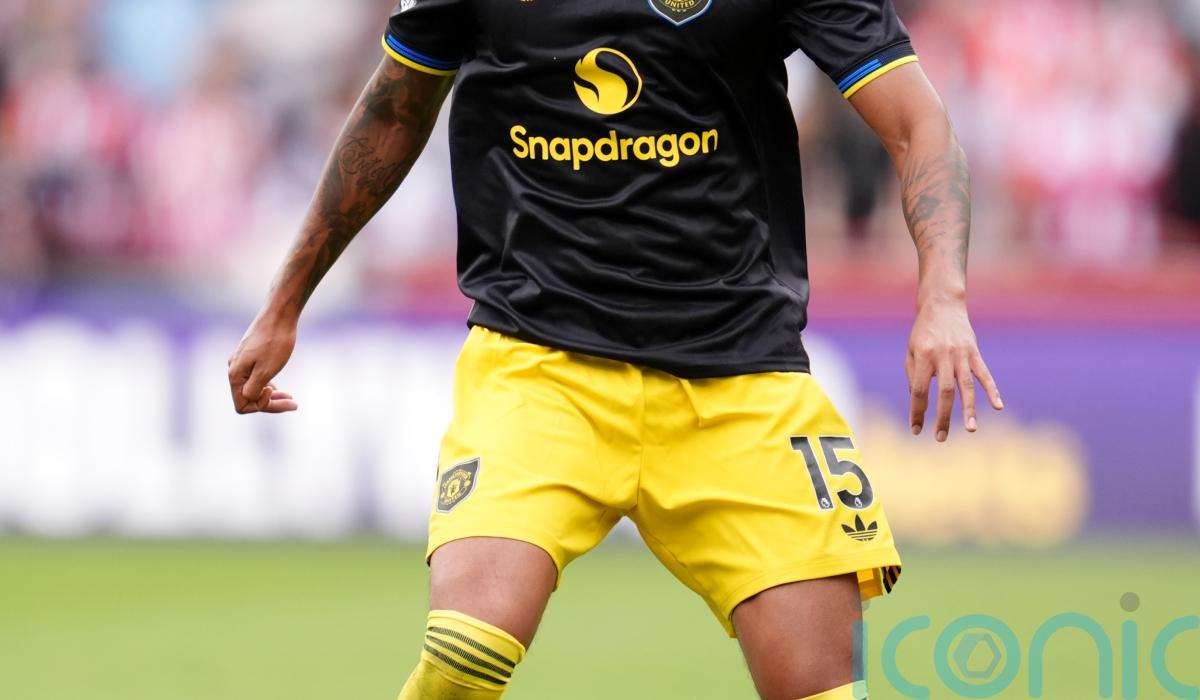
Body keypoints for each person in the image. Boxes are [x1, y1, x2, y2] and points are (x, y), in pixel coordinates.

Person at [226, 1, 1003, 698]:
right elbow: (395, 108)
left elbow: (917, 123)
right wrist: (286, 301)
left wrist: (943, 295)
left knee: (822, 690)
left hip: (740, 378)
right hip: (539, 367)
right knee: (464, 654)